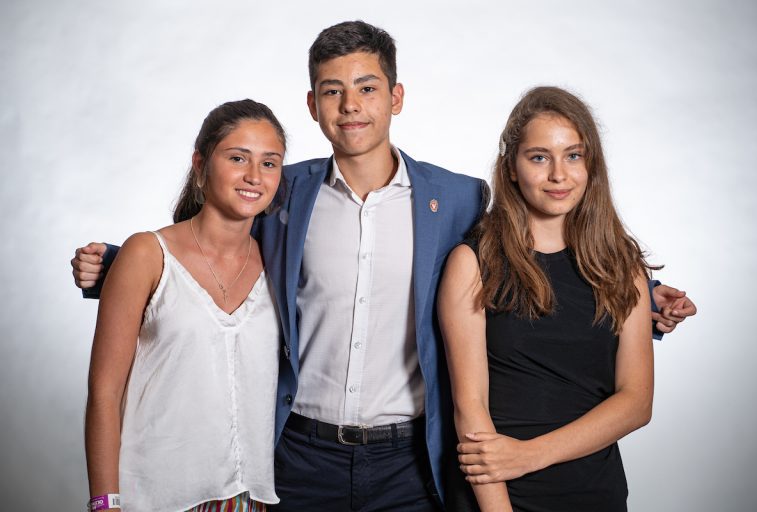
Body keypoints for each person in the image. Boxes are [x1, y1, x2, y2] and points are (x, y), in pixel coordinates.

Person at [72, 22, 696, 512]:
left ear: (395, 97)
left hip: (410, 462)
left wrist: (648, 294)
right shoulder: (281, 192)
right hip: (297, 455)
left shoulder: (456, 198)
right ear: (313, 105)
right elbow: (210, 230)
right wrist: (120, 263)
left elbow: (524, 258)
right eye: (332, 91)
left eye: (367, 87)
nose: (351, 106)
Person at [438, 86, 663, 511]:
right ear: (511, 168)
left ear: (590, 164)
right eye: (539, 157)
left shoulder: (622, 265)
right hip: (498, 496)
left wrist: (529, 455)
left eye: (573, 156)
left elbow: (636, 402)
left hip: (595, 492)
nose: (559, 175)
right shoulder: (473, 263)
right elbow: (470, 409)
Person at [84, 100, 286, 512]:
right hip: (156, 497)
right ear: (200, 165)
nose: (253, 176)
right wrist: (105, 504)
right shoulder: (147, 254)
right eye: (237, 158)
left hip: (251, 499)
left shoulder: (279, 263)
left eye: (270, 163)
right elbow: (104, 393)